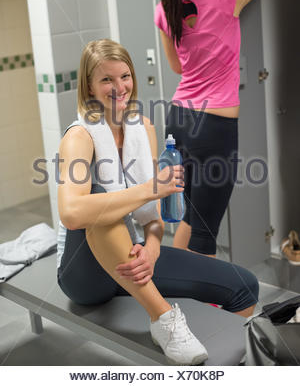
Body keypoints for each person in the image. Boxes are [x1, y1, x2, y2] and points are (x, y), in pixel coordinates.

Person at [56, 39, 259, 366]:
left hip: (130, 257)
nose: (119, 87)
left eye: (124, 76)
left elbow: (154, 217)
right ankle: (163, 319)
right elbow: (71, 214)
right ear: (89, 87)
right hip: (84, 273)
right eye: (106, 79)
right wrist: (151, 188)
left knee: (244, 286)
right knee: (100, 203)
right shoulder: (79, 136)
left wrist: (150, 249)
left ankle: (230, 369)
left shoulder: (143, 128)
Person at [155, 0, 294, 256]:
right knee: (205, 233)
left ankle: (174, 295)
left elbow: (176, 66)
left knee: (188, 218)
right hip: (212, 128)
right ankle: (210, 306)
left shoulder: (166, 8)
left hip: (179, 120)